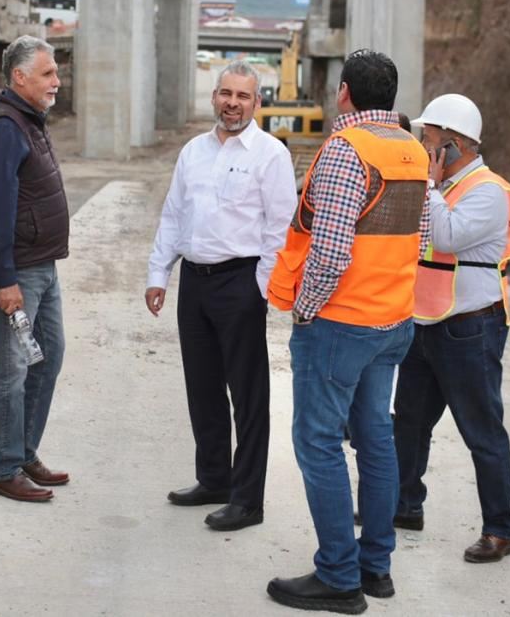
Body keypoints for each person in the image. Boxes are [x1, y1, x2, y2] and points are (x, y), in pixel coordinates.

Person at [265, 49, 430, 614]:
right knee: (376, 440)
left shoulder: (344, 151)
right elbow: (423, 237)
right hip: (392, 321)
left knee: (317, 442)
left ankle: (338, 576)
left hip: (341, 321)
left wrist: (305, 309)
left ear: (343, 93)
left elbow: (331, 253)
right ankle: (374, 567)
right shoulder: (413, 150)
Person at [145, 62, 297, 532]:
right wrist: (159, 273)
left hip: (240, 282)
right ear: (214, 97)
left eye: (243, 96)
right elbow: (174, 214)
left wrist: (261, 288)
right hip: (195, 280)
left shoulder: (270, 155)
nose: (233, 103)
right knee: (202, 387)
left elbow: (280, 229)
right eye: (226, 93)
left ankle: (248, 499)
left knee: (247, 396)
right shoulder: (193, 151)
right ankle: (213, 478)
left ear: (258, 103)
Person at [393, 94, 510, 565]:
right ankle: (404, 505)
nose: (422, 152)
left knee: (482, 431)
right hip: (425, 322)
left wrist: (427, 183)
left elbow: (445, 237)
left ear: (453, 146)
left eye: (428, 143)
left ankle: (499, 529)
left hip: (470, 329)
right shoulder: (443, 187)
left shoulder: (486, 190)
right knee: (407, 423)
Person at [0, 35, 71, 501]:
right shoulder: (4, 129)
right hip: (18, 272)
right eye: (48, 73)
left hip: (41, 266)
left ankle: (23, 452)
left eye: (55, 72)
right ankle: (1, 468)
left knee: (47, 356)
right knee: (12, 367)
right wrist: (6, 279)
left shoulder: (29, 120)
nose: (57, 81)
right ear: (20, 76)